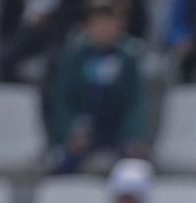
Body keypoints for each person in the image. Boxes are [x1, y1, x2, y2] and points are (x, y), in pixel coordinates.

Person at [48, 0, 148, 175]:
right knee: (61, 168)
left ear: (119, 25)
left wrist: (132, 135)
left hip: (117, 130)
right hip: (83, 128)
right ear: (89, 26)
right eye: (98, 23)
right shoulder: (74, 58)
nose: (104, 29)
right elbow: (63, 99)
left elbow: (136, 102)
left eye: (109, 23)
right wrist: (72, 130)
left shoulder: (128, 59)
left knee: (134, 168)